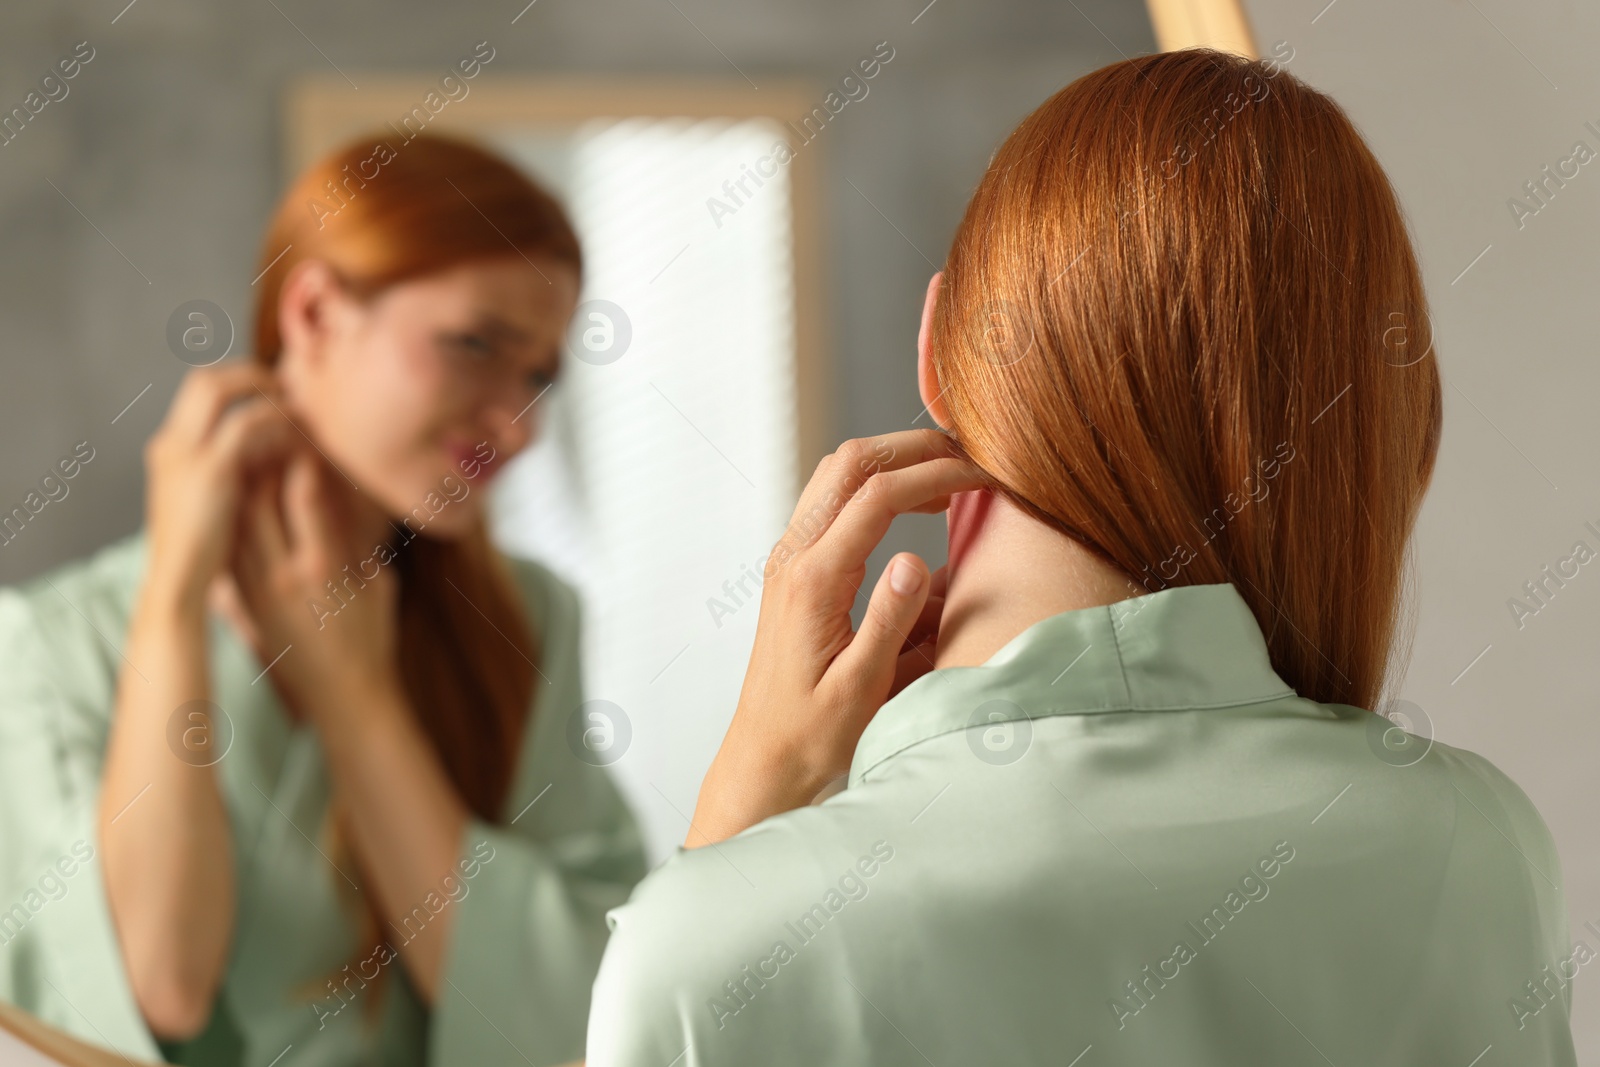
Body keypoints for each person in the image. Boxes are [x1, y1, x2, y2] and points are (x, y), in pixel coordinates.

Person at [585, 49, 1578, 1066]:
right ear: (1374, 430)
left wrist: (738, 817)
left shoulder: (710, 952)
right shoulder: (1475, 851)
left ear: (935, 349)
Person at [0, 134, 648, 1066]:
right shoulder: (46, 644)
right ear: (313, 313)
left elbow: (574, 1016)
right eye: (475, 346)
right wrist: (176, 596)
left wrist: (355, 698)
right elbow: (156, 987)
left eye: (539, 375)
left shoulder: (528, 621)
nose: (518, 426)